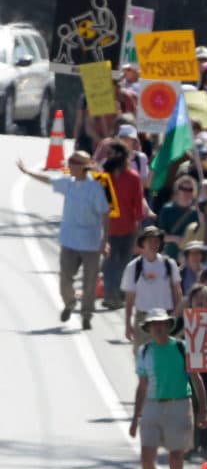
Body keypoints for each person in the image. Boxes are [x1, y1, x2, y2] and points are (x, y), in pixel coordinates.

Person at [129, 309, 207, 469]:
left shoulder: (182, 348)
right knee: (146, 458)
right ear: (149, 328)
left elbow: (196, 378)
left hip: (179, 404)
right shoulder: (145, 351)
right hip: (153, 406)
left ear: (168, 325)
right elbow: (142, 386)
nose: (159, 327)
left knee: (176, 459)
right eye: (154, 324)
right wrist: (135, 418)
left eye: (163, 323)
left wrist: (203, 410)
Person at [16, 150, 109, 330]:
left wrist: (105, 240)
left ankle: (86, 315)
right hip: (70, 241)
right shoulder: (69, 184)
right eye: (70, 162)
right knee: (65, 277)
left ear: (83, 167)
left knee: (90, 281)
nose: (71, 166)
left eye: (74, 163)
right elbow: (49, 180)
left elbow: (105, 214)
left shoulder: (95, 188)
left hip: (90, 242)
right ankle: (70, 301)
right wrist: (27, 172)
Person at [122, 227, 183, 354]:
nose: (153, 244)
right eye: (149, 240)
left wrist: (175, 318)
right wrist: (128, 324)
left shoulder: (169, 264)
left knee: (165, 356)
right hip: (143, 319)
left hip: (165, 319)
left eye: (156, 241)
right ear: (142, 243)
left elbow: (177, 293)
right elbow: (129, 299)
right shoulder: (133, 267)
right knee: (142, 356)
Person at [101, 140, 145, 310]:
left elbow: (138, 207)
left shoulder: (133, 178)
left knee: (123, 264)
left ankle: (118, 295)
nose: (108, 158)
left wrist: (138, 235)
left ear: (121, 155)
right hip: (108, 229)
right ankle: (109, 295)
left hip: (128, 229)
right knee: (109, 264)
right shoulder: (106, 177)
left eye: (111, 154)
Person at [156, 174, 199, 261]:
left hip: (189, 259)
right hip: (169, 256)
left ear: (194, 192)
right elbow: (160, 236)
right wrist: (176, 239)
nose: (186, 192)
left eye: (190, 190)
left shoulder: (196, 213)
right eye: (183, 188)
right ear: (177, 190)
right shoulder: (167, 209)